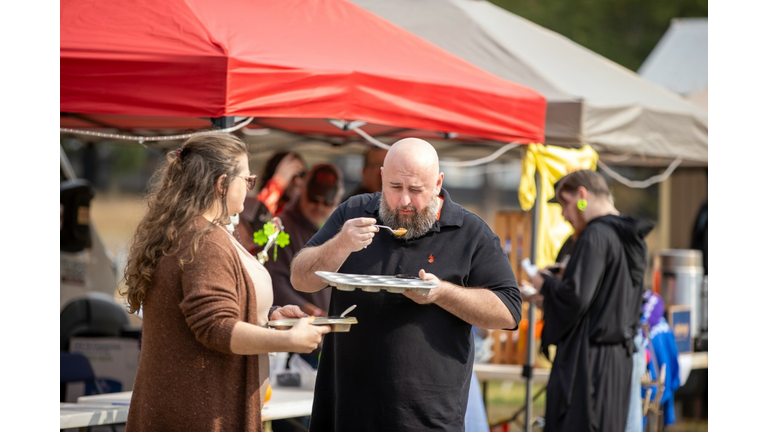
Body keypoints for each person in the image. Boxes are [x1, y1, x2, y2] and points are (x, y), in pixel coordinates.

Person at [290, 137, 521, 432]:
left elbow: (509, 312)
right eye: (395, 187)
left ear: (438, 183)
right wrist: (340, 244)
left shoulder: (470, 231)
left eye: (416, 190)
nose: (404, 202)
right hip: (345, 411)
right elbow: (300, 278)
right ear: (382, 177)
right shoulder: (355, 211)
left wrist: (441, 293)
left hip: (428, 418)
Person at [120, 135, 330, 432]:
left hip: (190, 408)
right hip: (201, 414)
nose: (249, 186)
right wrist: (287, 341)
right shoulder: (204, 241)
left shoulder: (194, 232)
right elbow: (215, 328)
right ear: (221, 184)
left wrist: (268, 318)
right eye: (247, 179)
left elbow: (212, 312)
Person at [521, 169, 653, 432]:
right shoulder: (627, 235)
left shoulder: (595, 235)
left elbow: (576, 298)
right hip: (618, 359)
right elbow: (605, 294)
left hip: (589, 364)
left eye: (565, 204)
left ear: (582, 195)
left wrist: (544, 283)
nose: (563, 214)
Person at [237, 151, 307, 254]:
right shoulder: (256, 205)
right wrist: (278, 183)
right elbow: (257, 221)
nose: (297, 182)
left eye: (301, 175)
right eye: (292, 176)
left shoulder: (304, 211)